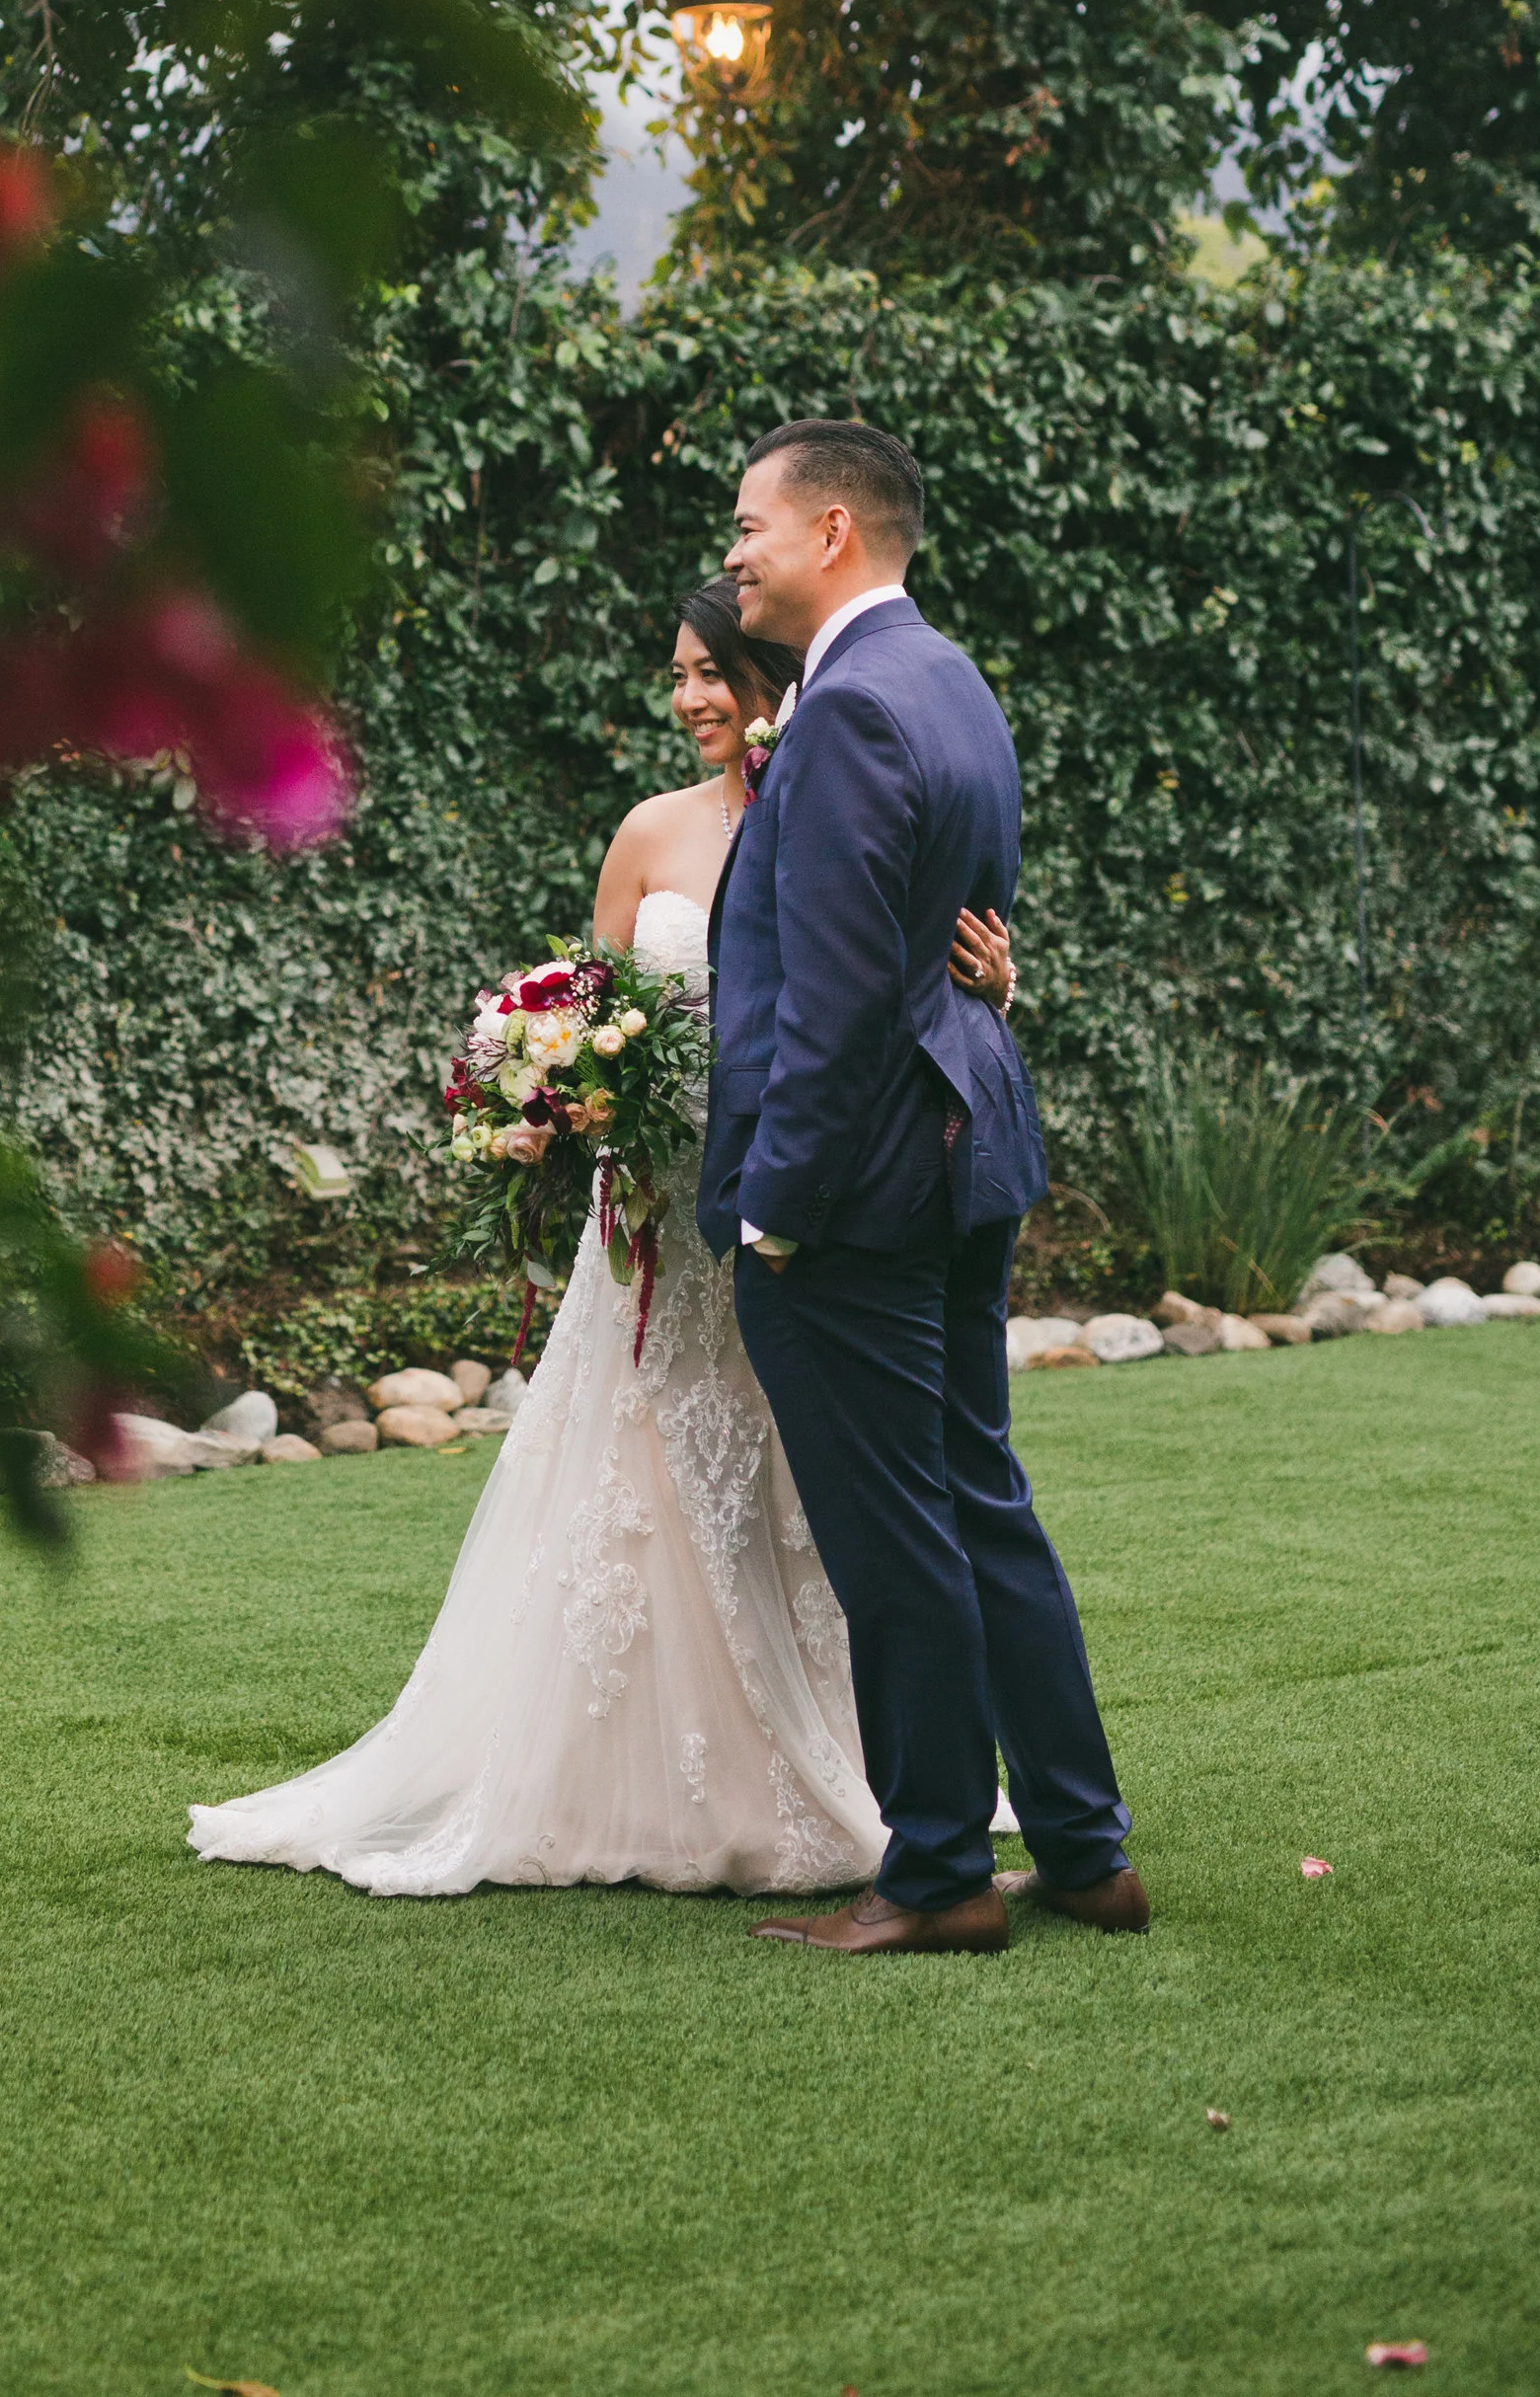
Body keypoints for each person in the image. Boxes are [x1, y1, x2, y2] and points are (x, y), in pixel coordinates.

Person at [186, 576, 1014, 1897]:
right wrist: (542, 1097)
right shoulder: (648, 832)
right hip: (654, 1217)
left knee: (804, 1485)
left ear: (769, 680)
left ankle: (870, 1761)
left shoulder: (839, 797)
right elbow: (583, 1003)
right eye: (676, 671)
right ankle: (633, 1779)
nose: (689, 695)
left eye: (711, 671)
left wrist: (995, 982)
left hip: (801, 1202)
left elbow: (888, 975)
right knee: (641, 1478)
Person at [705, 417, 1144, 1958]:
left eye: (750, 521)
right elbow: (951, 942)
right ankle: (1085, 1850)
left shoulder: (842, 714)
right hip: (962, 1155)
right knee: (979, 1498)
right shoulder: (950, 680)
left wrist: (779, 1205)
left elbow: (829, 998)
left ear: (832, 530)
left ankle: (943, 1866)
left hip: (863, 1188)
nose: (733, 548)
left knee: (896, 1534)